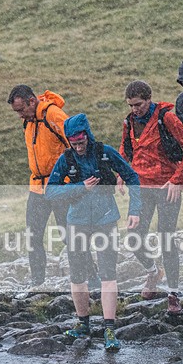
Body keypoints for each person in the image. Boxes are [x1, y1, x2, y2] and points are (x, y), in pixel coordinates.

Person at [45, 113, 141, 351]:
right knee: (78, 275)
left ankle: (109, 329)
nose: (78, 147)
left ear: (88, 135)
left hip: (106, 219)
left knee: (108, 274)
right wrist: (80, 187)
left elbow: (132, 176)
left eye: (81, 142)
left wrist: (135, 209)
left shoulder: (105, 152)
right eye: (73, 143)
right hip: (76, 222)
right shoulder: (66, 159)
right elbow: (50, 192)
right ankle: (83, 324)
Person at [118, 80, 183, 314]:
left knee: (166, 238)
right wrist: (121, 172)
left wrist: (177, 180)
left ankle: (173, 293)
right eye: (131, 105)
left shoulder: (167, 118)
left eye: (139, 104)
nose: (135, 109)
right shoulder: (129, 122)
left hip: (166, 188)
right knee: (134, 236)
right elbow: (125, 149)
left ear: (149, 99)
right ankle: (153, 272)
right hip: (141, 188)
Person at [7, 85, 74, 287]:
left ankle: (89, 276)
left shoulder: (53, 114)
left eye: (21, 110)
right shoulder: (28, 121)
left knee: (69, 235)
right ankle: (37, 282)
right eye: (16, 111)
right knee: (33, 236)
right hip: (37, 187)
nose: (19, 115)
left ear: (32, 101)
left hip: (61, 186)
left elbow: (77, 142)